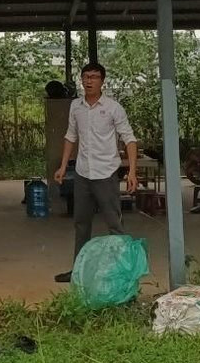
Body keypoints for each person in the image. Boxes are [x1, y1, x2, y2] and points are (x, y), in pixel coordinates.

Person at [52, 63, 138, 283]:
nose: (89, 81)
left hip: (106, 174)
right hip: (83, 174)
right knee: (81, 224)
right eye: (86, 77)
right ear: (81, 80)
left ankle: (123, 272)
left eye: (94, 77)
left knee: (114, 224)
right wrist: (63, 166)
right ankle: (78, 271)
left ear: (103, 81)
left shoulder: (113, 108)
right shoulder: (76, 107)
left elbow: (129, 139)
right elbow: (70, 136)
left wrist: (132, 172)